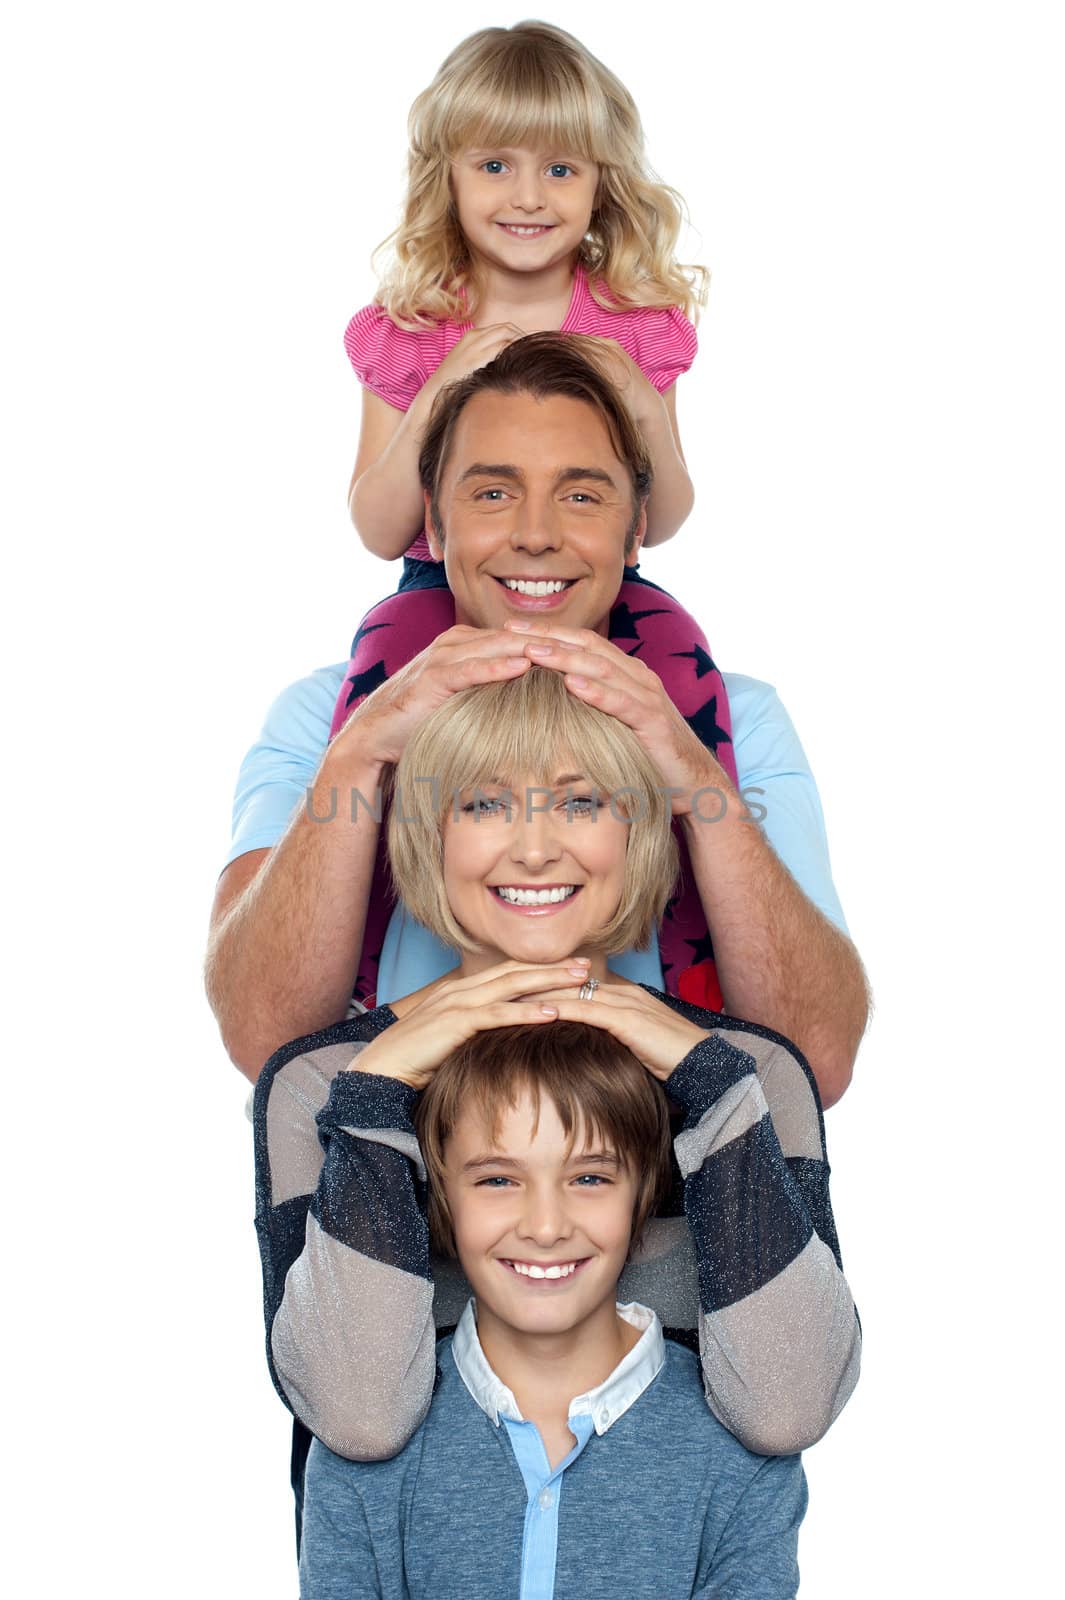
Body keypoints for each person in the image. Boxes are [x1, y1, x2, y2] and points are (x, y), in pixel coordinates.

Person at [253, 668, 860, 1541]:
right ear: (428, 836)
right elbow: (356, 1416)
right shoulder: (321, 1085)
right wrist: (378, 1098)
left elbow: (787, 1406)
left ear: (641, 832)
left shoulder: (749, 1071)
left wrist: (717, 1094)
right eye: (485, 805)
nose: (534, 850)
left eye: (580, 804)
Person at [208, 337, 869, 1108]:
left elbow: (814, 1065)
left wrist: (691, 775)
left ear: (634, 529)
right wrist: (360, 758)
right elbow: (264, 1043)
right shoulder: (323, 721)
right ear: (436, 522)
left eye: (581, 496)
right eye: (491, 493)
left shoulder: (738, 721)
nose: (534, 534)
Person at [327, 19, 741, 1003]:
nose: (526, 195)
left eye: (560, 168)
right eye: (497, 164)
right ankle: (351, 977)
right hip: (447, 582)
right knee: (381, 671)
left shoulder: (637, 322)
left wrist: (632, 391)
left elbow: (665, 516)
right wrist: (442, 387)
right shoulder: (412, 326)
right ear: (450, 176)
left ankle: (704, 982)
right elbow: (379, 526)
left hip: (598, 582)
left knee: (686, 667)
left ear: (601, 180)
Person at [294, 1024, 808, 1599]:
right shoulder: (356, 1460)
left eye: (589, 1177)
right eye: (497, 1179)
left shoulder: (744, 1466)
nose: (545, 1227)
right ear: (441, 1195)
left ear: (641, 1195)